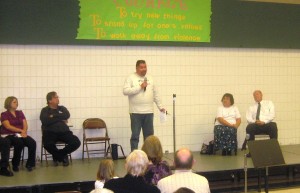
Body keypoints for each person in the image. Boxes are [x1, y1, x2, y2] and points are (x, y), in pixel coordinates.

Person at [123, 60, 165, 151]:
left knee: (149, 137)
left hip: (149, 112)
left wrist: (160, 107)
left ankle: (149, 156)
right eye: (141, 67)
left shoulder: (150, 78)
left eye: (145, 67)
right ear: (137, 68)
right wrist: (140, 87)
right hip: (135, 112)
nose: (144, 69)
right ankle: (134, 155)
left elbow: (155, 94)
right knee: (135, 136)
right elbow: (125, 91)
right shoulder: (131, 78)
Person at [40, 91, 81, 166]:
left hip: (64, 132)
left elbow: (67, 115)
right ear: (49, 100)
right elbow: (45, 121)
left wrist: (53, 117)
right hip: (50, 133)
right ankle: (63, 157)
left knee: (76, 142)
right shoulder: (45, 110)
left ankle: (58, 155)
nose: (58, 98)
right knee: (47, 144)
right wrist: (60, 118)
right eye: (55, 97)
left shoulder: (62, 108)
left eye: (57, 97)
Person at [1, 96, 36, 172]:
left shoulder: (20, 113)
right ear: (8, 103)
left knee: (32, 142)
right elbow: (8, 126)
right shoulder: (4, 114)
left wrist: (24, 131)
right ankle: (15, 164)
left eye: (16, 101)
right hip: (9, 134)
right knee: (19, 142)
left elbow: (25, 124)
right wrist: (21, 131)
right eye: (14, 102)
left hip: (20, 134)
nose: (16, 103)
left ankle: (30, 164)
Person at [243, 90, 278, 155]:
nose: (256, 96)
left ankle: (274, 151)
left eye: (257, 94)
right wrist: (255, 121)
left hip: (267, 124)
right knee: (249, 127)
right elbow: (248, 118)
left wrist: (264, 122)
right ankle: (252, 152)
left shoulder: (269, 103)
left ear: (261, 95)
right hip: (256, 125)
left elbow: (272, 115)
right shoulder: (251, 107)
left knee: (273, 126)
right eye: (254, 95)